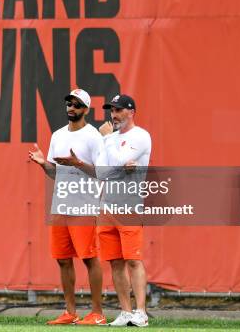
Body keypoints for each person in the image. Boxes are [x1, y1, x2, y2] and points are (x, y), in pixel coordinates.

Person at [28, 88, 108, 326]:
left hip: (84, 205)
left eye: (76, 105)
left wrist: (78, 163)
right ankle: (70, 312)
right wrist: (44, 164)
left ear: (85, 109)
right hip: (61, 203)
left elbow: (101, 174)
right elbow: (56, 173)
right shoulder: (58, 135)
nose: (71, 108)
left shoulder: (93, 136)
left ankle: (97, 313)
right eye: (69, 104)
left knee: (89, 258)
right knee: (62, 259)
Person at [98, 94, 152, 327]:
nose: (114, 114)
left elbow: (119, 159)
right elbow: (102, 171)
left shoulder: (140, 136)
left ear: (131, 112)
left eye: (119, 110)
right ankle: (126, 311)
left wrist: (108, 140)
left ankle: (141, 312)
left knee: (133, 260)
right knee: (115, 262)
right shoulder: (109, 139)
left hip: (129, 205)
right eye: (112, 110)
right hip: (107, 205)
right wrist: (116, 162)